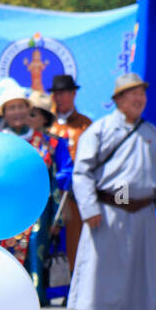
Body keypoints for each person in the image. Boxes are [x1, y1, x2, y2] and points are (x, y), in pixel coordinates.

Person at [69, 72, 156, 310]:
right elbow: (82, 172)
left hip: (142, 210)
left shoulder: (151, 132)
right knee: (97, 269)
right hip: (109, 208)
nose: (139, 99)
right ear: (118, 99)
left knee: (138, 270)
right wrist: (89, 208)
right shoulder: (100, 130)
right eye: (133, 94)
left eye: (142, 94)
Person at [23, 92, 73, 303]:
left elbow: (67, 171)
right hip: (19, 204)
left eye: (33, 114)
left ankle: (35, 298)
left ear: (43, 118)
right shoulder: (17, 141)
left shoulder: (54, 143)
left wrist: (47, 177)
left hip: (44, 207)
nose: (28, 118)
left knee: (37, 250)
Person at [50, 73, 92, 276]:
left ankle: (77, 282)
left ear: (73, 94)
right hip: (51, 193)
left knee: (76, 238)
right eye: (56, 94)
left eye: (63, 93)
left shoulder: (85, 125)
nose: (59, 98)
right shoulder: (47, 124)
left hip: (76, 194)